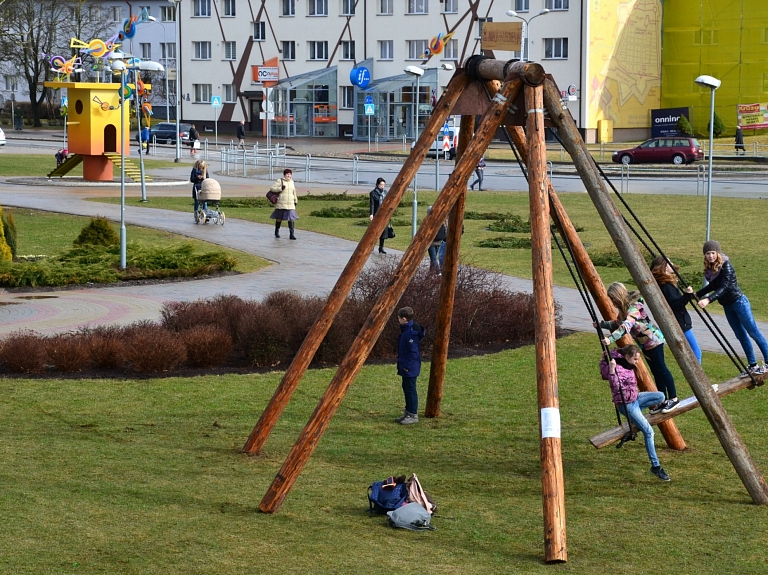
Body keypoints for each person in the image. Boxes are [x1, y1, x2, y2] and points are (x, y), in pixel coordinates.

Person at [688, 240, 768, 375]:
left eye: (713, 253)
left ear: (717, 253)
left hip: (739, 303)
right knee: (740, 336)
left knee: (753, 332)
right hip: (727, 306)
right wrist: (696, 294)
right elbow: (713, 286)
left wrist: (708, 299)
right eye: (708, 253)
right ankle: (752, 365)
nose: (711, 256)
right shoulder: (711, 269)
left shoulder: (726, 267)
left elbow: (724, 287)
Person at [598, 282, 680, 413]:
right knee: (656, 372)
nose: (612, 301)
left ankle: (674, 398)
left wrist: (610, 339)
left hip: (654, 341)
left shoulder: (635, 306)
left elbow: (626, 326)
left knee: (662, 369)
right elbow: (617, 323)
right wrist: (601, 324)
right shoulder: (624, 309)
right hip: (645, 345)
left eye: (613, 298)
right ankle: (663, 400)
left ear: (619, 295)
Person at [600, 345, 671, 482]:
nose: (637, 362)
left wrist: (606, 358)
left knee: (660, 396)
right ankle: (655, 466)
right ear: (627, 357)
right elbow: (613, 384)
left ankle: (639, 417)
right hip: (626, 405)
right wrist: (611, 369)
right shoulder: (618, 367)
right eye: (636, 359)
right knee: (649, 432)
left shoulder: (623, 360)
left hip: (636, 399)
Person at [651, 256, 702, 363]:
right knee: (696, 352)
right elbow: (676, 304)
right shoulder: (667, 286)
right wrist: (687, 295)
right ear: (664, 268)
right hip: (680, 321)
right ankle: (699, 377)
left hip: (680, 321)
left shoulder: (665, 283)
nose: (673, 264)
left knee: (692, 352)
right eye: (669, 263)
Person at [395, 307, 426, 425]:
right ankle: (408, 412)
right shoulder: (408, 329)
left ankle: (413, 414)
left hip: (410, 366)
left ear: (404, 319)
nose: (398, 320)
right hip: (407, 365)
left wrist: (407, 365)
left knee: (410, 390)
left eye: (398, 318)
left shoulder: (410, 333)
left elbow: (413, 352)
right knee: (406, 388)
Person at [270, 168, 298, 240]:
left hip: (290, 203)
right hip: (281, 203)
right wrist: (280, 188)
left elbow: (294, 191)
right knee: (279, 219)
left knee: (291, 219)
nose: (289, 175)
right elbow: (272, 188)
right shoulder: (280, 181)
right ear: (284, 175)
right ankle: (277, 232)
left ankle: (292, 234)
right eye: (287, 174)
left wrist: (295, 200)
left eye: (290, 174)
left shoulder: (292, 182)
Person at [369, 177, 389, 254]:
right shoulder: (373, 193)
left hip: (384, 215)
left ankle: (381, 247)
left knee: (383, 231)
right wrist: (371, 214)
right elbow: (372, 204)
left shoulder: (386, 192)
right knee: (375, 231)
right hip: (377, 214)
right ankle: (372, 246)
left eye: (384, 184)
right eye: (381, 184)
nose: (382, 186)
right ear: (377, 184)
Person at [426, 206, 447, 274]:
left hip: (431, 243)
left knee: (433, 258)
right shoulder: (440, 220)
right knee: (434, 258)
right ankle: (431, 273)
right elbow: (445, 230)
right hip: (439, 242)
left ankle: (438, 272)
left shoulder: (429, 221)